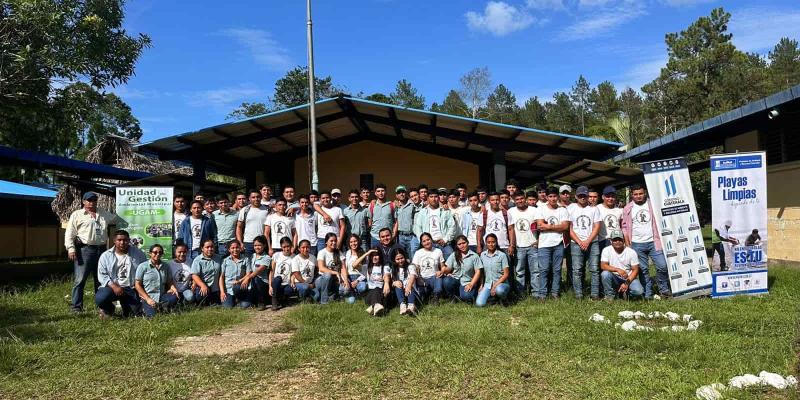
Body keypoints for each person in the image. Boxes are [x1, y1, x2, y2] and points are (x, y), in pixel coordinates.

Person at [65, 191, 123, 313]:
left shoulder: (103, 213)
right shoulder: (77, 215)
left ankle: (102, 306)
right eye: (89, 200)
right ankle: (76, 307)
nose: (92, 203)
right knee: (80, 280)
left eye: (94, 200)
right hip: (84, 250)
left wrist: (128, 207)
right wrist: (71, 248)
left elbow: (116, 218)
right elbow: (69, 233)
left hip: (102, 250)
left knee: (101, 280)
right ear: (83, 201)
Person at [621, 184, 670, 299]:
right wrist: (628, 243)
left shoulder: (653, 205)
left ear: (645, 193)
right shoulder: (628, 208)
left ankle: (664, 290)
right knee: (643, 270)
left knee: (662, 266)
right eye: (635, 194)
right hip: (636, 243)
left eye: (641, 194)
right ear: (632, 195)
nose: (638, 196)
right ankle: (647, 294)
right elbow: (624, 227)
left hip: (654, 241)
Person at [95, 230, 147, 318]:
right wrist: (114, 286)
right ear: (114, 241)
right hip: (112, 288)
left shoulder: (138, 253)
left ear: (129, 240)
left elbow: (145, 270)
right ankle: (108, 309)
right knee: (100, 298)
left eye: (125, 240)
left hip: (131, 288)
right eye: (119, 240)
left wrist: (141, 288)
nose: (122, 242)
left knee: (132, 315)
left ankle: (127, 307)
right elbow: (102, 275)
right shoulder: (105, 256)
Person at [535, 186, 570, 300]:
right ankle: (542, 294)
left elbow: (565, 226)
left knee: (557, 270)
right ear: (546, 197)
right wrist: (557, 227)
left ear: (558, 196)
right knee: (544, 269)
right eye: (550, 196)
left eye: (555, 196)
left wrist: (548, 226)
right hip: (544, 245)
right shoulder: (540, 209)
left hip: (558, 244)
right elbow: (540, 225)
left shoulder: (562, 210)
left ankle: (555, 293)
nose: (553, 199)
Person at [568, 186, 602, 300]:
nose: (583, 198)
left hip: (593, 242)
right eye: (580, 196)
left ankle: (595, 294)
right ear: (576, 196)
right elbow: (569, 228)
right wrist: (579, 241)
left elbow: (597, 226)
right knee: (577, 270)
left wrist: (588, 241)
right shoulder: (571, 208)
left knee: (594, 269)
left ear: (588, 196)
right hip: (576, 243)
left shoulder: (594, 209)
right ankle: (578, 295)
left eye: (585, 196)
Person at [135, 244, 179, 318]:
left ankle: (160, 307)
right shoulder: (142, 266)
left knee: (174, 297)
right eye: (155, 252)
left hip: (162, 295)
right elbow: (137, 284)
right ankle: (147, 308)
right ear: (150, 253)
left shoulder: (166, 266)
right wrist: (148, 299)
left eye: (160, 252)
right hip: (148, 296)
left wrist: (173, 288)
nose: (157, 254)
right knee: (152, 317)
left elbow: (169, 281)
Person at [509, 191, 538, 298]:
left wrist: (538, 240)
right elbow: (510, 229)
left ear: (525, 198)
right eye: (517, 199)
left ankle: (536, 293)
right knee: (520, 272)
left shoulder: (534, 210)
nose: (520, 201)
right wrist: (512, 244)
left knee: (535, 271)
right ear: (514, 200)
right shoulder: (511, 211)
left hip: (532, 245)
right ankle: (520, 294)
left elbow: (539, 226)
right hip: (519, 246)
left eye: (521, 198)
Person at [600, 230, 644, 299]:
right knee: (605, 274)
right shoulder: (606, 250)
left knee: (639, 291)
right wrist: (617, 270)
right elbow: (603, 266)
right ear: (611, 241)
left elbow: (635, 270)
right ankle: (610, 296)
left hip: (628, 278)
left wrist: (626, 283)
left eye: (620, 239)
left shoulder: (631, 252)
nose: (617, 242)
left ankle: (626, 293)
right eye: (615, 240)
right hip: (614, 277)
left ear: (623, 240)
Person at [413, 190, 455, 260]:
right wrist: (424, 241)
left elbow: (452, 226)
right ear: (428, 199)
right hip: (428, 244)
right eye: (431, 197)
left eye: (435, 197)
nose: (433, 199)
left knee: (451, 255)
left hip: (443, 243)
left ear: (438, 198)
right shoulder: (423, 212)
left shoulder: (445, 211)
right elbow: (418, 227)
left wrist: (445, 239)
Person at [476, 234, 511, 307]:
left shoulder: (502, 255)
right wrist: (481, 285)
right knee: (479, 304)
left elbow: (506, 274)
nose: (491, 244)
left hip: (501, 284)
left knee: (499, 290)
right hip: (488, 284)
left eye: (493, 242)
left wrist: (495, 286)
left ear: (496, 242)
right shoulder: (482, 255)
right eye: (488, 242)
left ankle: (504, 300)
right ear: (486, 243)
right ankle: (494, 300)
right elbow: (482, 273)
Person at [445, 235, 483, 303]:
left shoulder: (474, 256)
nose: (462, 245)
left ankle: (465, 296)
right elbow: (448, 267)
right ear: (457, 246)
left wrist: (471, 284)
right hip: (456, 279)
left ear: (467, 242)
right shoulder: (454, 255)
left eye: (464, 243)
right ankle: (454, 296)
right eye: (459, 244)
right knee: (447, 281)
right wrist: (444, 272)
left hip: (467, 281)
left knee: (466, 296)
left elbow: (478, 272)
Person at [412, 232, 446, 305]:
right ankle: (427, 296)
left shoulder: (438, 251)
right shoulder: (418, 253)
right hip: (423, 278)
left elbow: (443, 266)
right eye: (424, 241)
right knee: (422, 295)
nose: (426, 242)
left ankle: (435, 297)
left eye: (428, 239)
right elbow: (415, 267)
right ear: (421, 243)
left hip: (434, 277)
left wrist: (441, 271)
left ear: (431, 240)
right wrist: (418, 278)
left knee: (439, 284)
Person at [236, 189, 269, 256]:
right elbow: (239, 227)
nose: (256, 199)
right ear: (249, 199)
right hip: (248, 243)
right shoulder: (245, 210)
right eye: (253, 197)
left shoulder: (267, 209)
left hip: (262, 243)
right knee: (248, 264)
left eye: (258, 197)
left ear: (261, 197)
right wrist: (240, 242)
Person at [219, 241, 251, 309]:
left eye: (237, 247)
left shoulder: (246, 259)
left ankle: (240, 299)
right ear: (229, 250)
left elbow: (249, 274)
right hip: (228, 289)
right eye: (232, 248)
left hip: (241, 288)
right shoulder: (225, 261)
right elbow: (221, 277)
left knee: (245, 305)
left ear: (240, 248)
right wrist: (222, 292)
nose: (235, 250)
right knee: (227, 307)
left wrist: (240, 281)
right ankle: (233, 300)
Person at [190, 239, 223, 306]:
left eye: (212, 247)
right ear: (202, 248)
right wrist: (202, 285)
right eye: (207, 247)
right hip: (203, 286)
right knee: (200, 296)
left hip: (216, 288)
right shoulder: (197, 260)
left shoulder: (219, 258)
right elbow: (194, 275)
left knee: (217, 303)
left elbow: (222, 274)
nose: (210, 249)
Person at [340, 234, 369, 304]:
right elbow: (343, 269)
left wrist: (357, 281)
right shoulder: (345, 254)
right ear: (349, 243)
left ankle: (358, 293)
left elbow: (365, 272)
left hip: (359, 278)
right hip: (348, 278)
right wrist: (346, 281)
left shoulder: (363, 254)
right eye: (351, 242)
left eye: (355, 241)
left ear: (358, 241)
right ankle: (350, 294)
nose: (353, 243)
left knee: (362, 287)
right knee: (348, 298)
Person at [268, 237, 296, 309]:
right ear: (281, 247)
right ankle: (274, 300)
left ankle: (282, 299)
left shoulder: (294, 257)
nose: (286, 249)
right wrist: (270, 286)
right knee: (278, 278)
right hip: (276, 283)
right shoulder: (276, 255)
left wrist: (292, 281)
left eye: (288, 246)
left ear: (291, 246)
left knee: (289, 290)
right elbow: (272, 271)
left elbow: (293, 272)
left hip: (286, 282)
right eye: (284, 247)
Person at [363, 249, 392, 316]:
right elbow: (354, 265)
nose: (374, 257)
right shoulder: (367, 267)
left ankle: (373, 307)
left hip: (383, 293)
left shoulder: (385, 266)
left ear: (380, 256)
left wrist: (387, 283)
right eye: (372, 256)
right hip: (370, 294)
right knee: (375, 289)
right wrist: (368, 253)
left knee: (377, 289)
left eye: (376, 255)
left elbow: (387, 275)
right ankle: (376, 306)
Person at [245, 235, 271, 310]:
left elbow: (257, 271)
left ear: (264, 245)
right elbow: (249, 270)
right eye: (255, 245)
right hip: (252, 282)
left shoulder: (267, 258)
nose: (257, 247)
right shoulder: (252, 256)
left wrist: (247, 278)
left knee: (256, 278)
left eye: (259, 245)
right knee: (245, 304)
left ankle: (261, 302)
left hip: (262, 283)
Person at [315, 232, 342, 304]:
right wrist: (335, 272)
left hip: (335, 280)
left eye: (335, 241)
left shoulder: (339, 252)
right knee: (327, 275)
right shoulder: (322, 252)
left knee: (344, 290)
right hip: (322, 279)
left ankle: (331, 296)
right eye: (331, 241)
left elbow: (343, 268)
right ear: (326, 242)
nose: (334, 242)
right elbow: (321, 268)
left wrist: (345, 280)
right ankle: (324, 302)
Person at [368, 183, 397, 248]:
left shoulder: (392, 205)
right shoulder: (372, 205)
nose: (381, 193)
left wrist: (393, 235)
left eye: (382, 191)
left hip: (388, 238)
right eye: (378, 191)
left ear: (385, 192)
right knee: (375, 257)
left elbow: (396, 221)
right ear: (375, 193)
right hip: (375, 237)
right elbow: (369, 222)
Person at [391, 248, 418, 315]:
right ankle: (402, 305)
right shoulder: (394, 269)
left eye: (402, 258)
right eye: (398, 259)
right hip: (400, 292)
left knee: (410, 287)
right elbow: (392, 280)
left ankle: (411, 306)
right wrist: (394, 282)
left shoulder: (411, 266)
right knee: (398, 284)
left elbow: (412, 276)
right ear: (394, 260)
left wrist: (408, 286)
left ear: (405, 257)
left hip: (412, 291)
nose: (400, 261)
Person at [394, 185, 418, 257]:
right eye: (399, 193)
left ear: (406, 193)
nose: (401, 194)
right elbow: (395, 221)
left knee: (411, 257)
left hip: (411, 236)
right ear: (396, 195)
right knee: (401, 257)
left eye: (403, 192)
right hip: (400, 236)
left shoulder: (412, 204)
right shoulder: (396, 206)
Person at [597, 186, 623, 250]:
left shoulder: (620, 210)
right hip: (603, 240)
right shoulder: (597, 208)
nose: (610, 199)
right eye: (608, 196)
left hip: (618, 240)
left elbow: (623, 226)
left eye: (613, 196)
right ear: (603, 197)